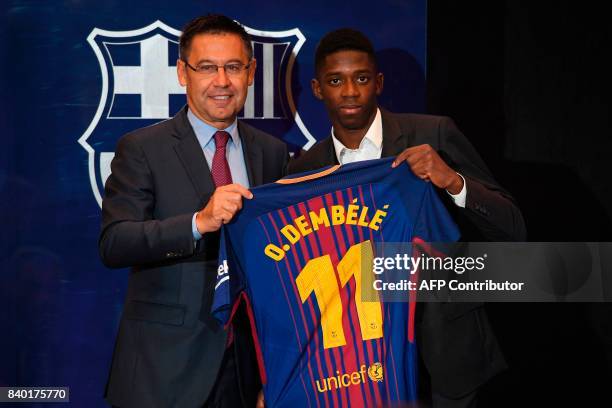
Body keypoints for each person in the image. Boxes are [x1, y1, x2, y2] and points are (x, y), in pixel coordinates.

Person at [287, 28, 526, 407]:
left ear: (378, 82)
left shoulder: (433, 134)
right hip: (357, 363)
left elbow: (513, 228)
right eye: (336, 81)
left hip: (444, 356)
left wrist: (452, 180)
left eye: (361, 78)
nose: (350, 91)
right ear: (318, 89)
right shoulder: (304, 170)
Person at [99, 15, 287, 408]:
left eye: (233, 67)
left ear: (251, 73)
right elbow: (115, 243)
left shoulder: (271, 152)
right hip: (162, 372)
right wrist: (198, 223)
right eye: (207, 67)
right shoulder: (141, 148)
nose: (222, 81)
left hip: (245, 370)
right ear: (183, 73)